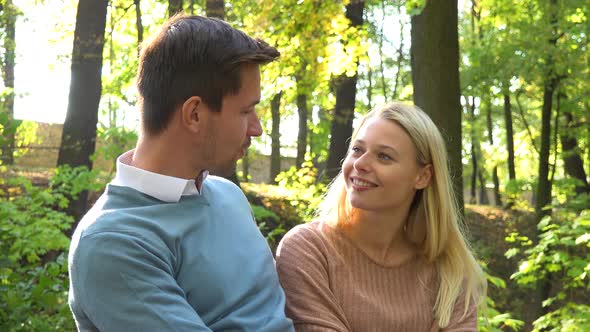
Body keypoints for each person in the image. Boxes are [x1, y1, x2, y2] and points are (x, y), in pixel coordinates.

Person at [68, 14, 294, 332]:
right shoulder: (113, 243)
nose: (256, 129)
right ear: (195, 114)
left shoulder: (228, 195)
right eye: (246, 111)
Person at [276, 102, 487, 331]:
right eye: (357, 149)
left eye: (384, 156)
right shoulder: (309, 250)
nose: (360, 163)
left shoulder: (451, 272)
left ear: (422, 176)